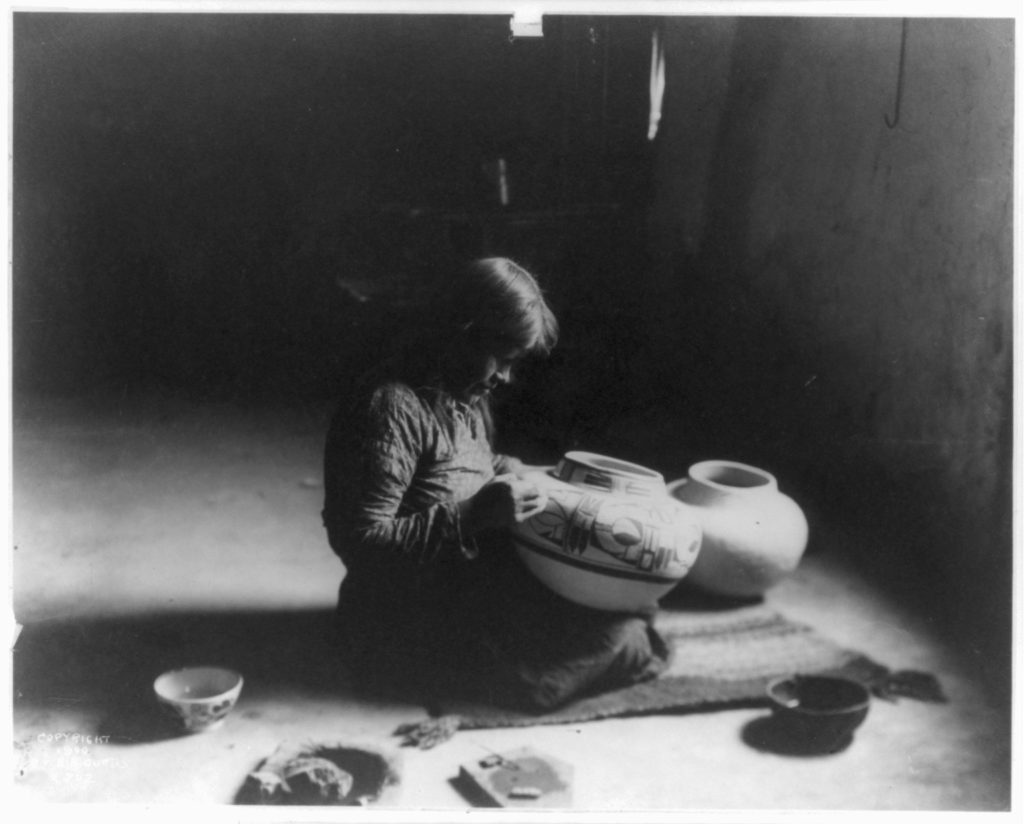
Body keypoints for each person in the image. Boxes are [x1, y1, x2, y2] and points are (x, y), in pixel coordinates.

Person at [322, 257, 669, 711]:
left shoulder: (464, 396)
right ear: (459, 331)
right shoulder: (388, 409)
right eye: (502, 359)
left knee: (617, 605)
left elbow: (463, 467)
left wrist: (511, 469)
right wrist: (474, 515)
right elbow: (360, 542)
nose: (505, 377)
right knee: (617, 641)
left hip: (465, 589)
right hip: (404, 615)